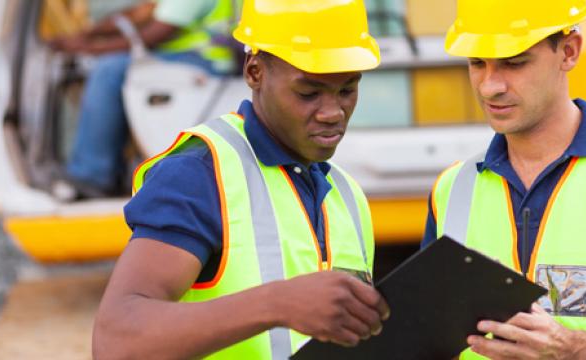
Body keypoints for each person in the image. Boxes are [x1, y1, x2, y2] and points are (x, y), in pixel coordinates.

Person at [92, 0, 389, 358]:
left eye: (347, 90)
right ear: (254, 72)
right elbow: (116, 341)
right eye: (308, 93)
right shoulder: (199, 174)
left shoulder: (346, 194)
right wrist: (277, 303)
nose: (332, 113)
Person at [424, 0, 586, 358]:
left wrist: (577, 349)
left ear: (569, 51)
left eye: (514, 63)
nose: (489, 87)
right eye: (476, 64)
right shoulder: (452, 190)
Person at [51, 0, 241, 198]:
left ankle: (91, 174)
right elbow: (140, 13)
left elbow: (156, 33)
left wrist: (88, 49)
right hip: (182, 56)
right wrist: (87, 35)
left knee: (109, 70)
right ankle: (110, 170)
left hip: (203, 59)